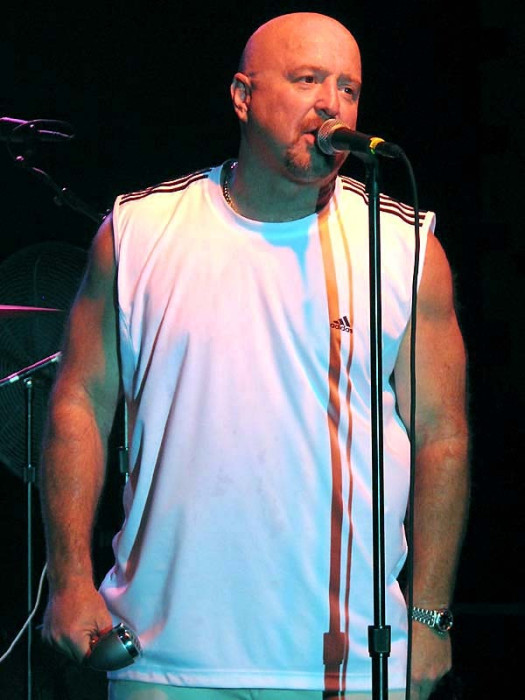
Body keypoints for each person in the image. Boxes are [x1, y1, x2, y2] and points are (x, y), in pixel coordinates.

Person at [39, 12, 469, 700]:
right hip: (163, 654)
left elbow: (441, 434)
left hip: (347, 659)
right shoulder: (140, 231)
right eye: (307, 80)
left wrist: (429, 617)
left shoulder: (403, 245)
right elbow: (79, 404)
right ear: (243, 96)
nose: (331, 104)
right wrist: (69, 581)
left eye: (349, 88)